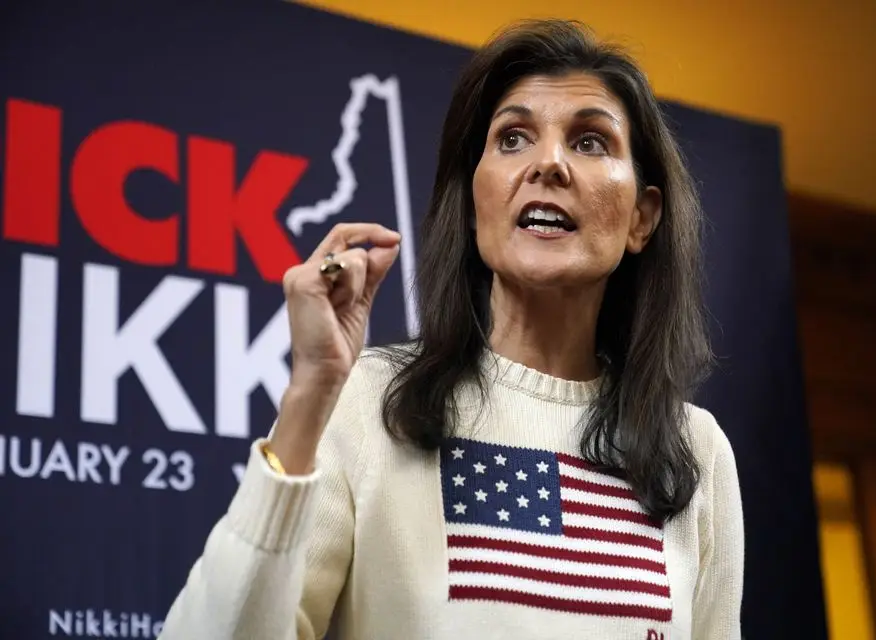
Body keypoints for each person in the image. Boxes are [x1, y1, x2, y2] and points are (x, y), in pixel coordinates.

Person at [159, 18, 744, 640]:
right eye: (513, 138)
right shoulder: (371, 401)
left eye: (591, 142)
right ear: (473, 204)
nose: (548, 163)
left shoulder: (696, 450)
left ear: (641, 219)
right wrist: (310, 396)